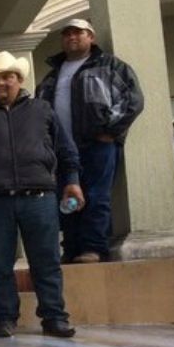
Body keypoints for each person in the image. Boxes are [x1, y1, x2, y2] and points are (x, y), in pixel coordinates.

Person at [0, 51, 84, 338]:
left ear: (19, 80)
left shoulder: (42, 110)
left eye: (7, 77)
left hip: (40, 198)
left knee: (46, 261)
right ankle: (4, 318)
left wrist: (71, 181)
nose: (0, 83)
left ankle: (54, 318)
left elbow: (66, 151)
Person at [36, 18, 144, 264]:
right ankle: (72, 248)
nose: (72, 37)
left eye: (78, 32)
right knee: (67, 199)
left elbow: (132, 101)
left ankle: (93, 248)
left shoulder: (111, 67)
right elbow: (40, 113)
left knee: (96, 196)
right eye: (67, 33)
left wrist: (110, 130)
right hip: (61, 150)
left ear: (91, 37)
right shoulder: (52, 76)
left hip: (98, 144)